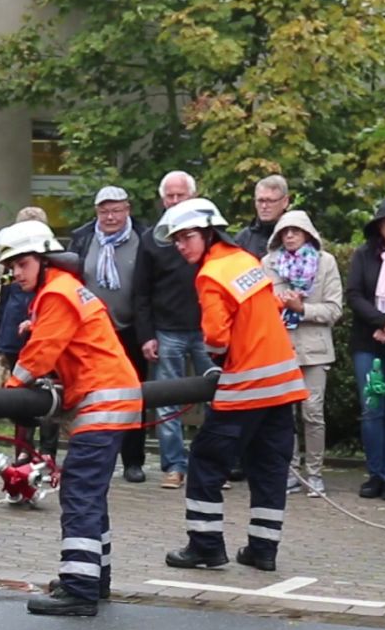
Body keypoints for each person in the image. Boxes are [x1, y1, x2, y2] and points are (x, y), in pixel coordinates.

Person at [0, 220, 143, 616]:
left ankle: (79, 588)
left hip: (101, 401)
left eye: (23, 264)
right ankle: (94, 578)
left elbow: (41, 353)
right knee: (90, 493)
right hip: (113, 398)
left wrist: (8, 391)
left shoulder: (56, 293)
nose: (17, 274)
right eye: (13, 267)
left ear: (44, 259)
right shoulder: (64, 290)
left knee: (79, 493)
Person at [157, 198, 307, 573]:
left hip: (247, 387)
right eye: (176, 240)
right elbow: (269, 309)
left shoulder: (210, 275)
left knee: (205, 462)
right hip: (283, 383)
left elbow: (216, 336)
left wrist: (220, 361)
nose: (181, 245)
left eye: (187, 237)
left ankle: (205, 546)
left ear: (208, 234)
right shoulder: (244, 259)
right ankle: (263, 550)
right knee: (269, 469)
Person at [69, 186, 152, 482]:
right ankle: (93, 452)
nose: (110, 217)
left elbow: (149, 289)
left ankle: (133, 460)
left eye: (116, 210)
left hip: (130, 329)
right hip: (92, 332)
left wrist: (148, 333)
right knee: (91, 393)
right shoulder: (82, 238)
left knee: (133, 395)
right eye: (104, 211)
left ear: (127, 209)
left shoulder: (144, 238)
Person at [134, 170, 211, 490]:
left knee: (218, 398)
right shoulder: (152, 239)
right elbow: (141, 292)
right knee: (167, 402)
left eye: (181, 195)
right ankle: (174, 466)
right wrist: (146, 334)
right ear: (162, 199)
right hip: (167, 330)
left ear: (193, 197)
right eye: (170, 196)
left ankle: (212, 464)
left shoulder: (209, 236)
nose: (175, 201)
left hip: (208, 331)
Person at [262, 210, 342, 497]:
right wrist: (279, 305)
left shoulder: (325, 263)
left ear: (308, 233)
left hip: (316, 351)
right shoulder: (268, 264)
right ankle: (290, 472)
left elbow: (334, 309)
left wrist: (302, 309)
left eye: (295, 231)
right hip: (281, 348)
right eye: (285, 231)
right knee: (283, 416)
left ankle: (315, 474)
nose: (290, 236)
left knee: (312, 413)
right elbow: (260, 308)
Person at [343, 198, 385, 501]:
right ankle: (374, 473)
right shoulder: (363, 255)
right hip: (367, 339)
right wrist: (382, 322)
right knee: (372, 408)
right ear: (379, 227)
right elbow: (354, 294)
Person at [0, 205, 58, 463]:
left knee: (47, 396)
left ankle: (47, 452)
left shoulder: (53, 278)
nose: (18, 272)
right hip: (15, 341)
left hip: (43, 342)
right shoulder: (13, 268)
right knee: (19, 401)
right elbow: (3, 306)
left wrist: (36, 324)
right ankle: (23, 451)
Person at [233, 175, 289, 257]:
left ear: (285, 202)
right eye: (260, 200)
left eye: (270, 201)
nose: (264, 206)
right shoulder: (242, 239)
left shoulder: (295, 236)